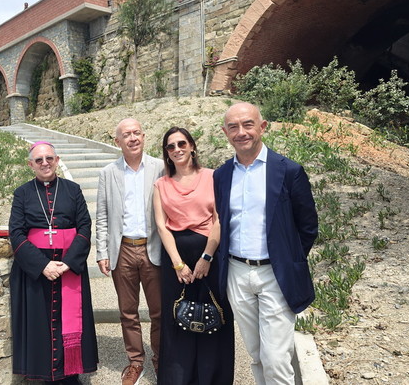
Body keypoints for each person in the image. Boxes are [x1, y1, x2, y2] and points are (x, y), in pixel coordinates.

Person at [213, 102, 318, 385]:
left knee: (276, 358)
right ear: (225, 132)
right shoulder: (221, 175)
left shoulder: (289, 171)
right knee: (257, 354)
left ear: (263, 127)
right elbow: (223, 222)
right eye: (233, 127)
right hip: (237, 273)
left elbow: (308, 226)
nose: (241, 132)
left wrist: (288, 260)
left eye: (248, 124)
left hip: (275, 275)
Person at [9, 141, 98, 384]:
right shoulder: (22, 193)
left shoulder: (73, 189)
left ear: (57, 160)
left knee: (70, 321)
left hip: (68, 267)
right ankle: (42, 375)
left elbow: (84, 227)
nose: (45, 163)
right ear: (31, 165)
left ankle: (70, 374)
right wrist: (42, 266)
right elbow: (16, 233)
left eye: (49, 158)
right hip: (36, 270)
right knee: (39, 321)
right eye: (39, 160)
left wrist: (68, 263)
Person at [153, 127, 235, 384]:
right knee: (178, 318)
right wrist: (178, 264)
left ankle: (212, 377)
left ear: (192, 146)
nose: (176, 149)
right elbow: (161, 225)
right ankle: (179, 377)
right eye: (170, 146)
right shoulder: (161, 184)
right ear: (166, 153)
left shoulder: (213, 177)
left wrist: (207, 257)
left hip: (210, 255)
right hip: (176, 258)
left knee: (215, 314)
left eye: (181, 144)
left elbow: (220, 219)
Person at [96, 118, 164, 385]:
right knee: (128, 311)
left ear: (144, 136)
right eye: (127, 134)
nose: (133, 138)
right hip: (122, 249)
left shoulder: (160, 167)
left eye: (137, 132)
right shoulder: (108, 173)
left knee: (158, 311)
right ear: (118, 141)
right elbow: (102, 215)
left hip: (153, 249)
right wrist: (102, 251)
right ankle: (135, 361)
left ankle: (161, 358)